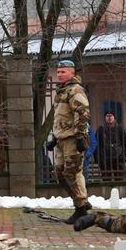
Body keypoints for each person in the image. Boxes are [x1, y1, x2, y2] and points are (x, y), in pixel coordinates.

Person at [46, 59, 91, 224]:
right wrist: (54, 137)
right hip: (61, 139)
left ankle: (81, 208)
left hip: (73, 138)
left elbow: (82, 113)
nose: (59, 74)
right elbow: (59, 117)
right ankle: (82, 203)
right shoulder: (61, 91)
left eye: (63, 71)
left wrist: (80, 136)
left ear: (72, 72)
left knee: (72, 173)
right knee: (60, 174)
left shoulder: (75, 89)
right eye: (58, 71)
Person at [95, 111, 126, 181]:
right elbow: (96, 145)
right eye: (107, 116)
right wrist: (98, 159)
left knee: (119, 181)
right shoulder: (100, 129)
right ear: (105, 118)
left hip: (119, 159)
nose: (109, 117)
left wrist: (125, 157)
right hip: (105, 160)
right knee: (106, 181)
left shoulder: (120, 128)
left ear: (114, 117)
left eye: (111, 116)